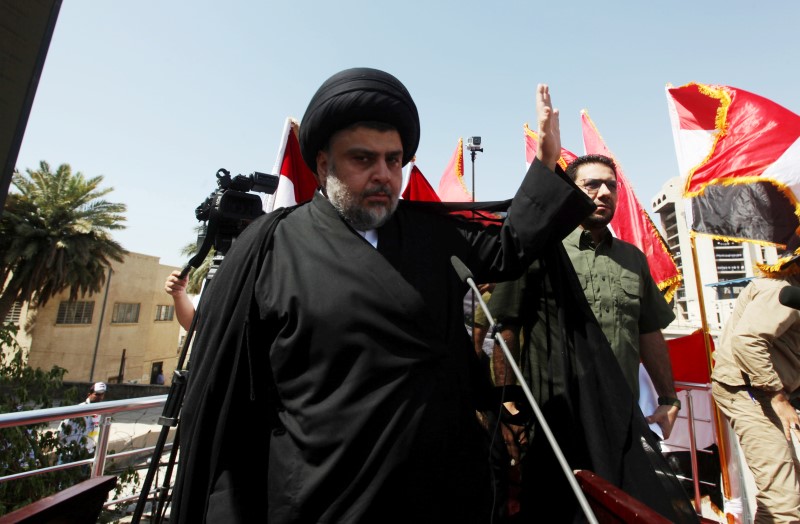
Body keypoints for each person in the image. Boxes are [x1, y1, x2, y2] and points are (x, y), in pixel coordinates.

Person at [170, 67, 595, 524]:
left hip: (437, 497)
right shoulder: (269, 248)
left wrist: (546, 163)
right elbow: (232, 402)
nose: (384, 176)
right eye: (363, 159)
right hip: (320, 500)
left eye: (394, 161)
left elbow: (511, 244)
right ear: (323, 165)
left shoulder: (428, 233)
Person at [488, 154, 694, 522]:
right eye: (592, 185)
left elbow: (648, 330)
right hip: (554, 416)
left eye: (611, 186)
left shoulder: (633, 259)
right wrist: (506, 406)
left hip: (622, 417)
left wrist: (667, 398)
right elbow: (505, 327)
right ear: (569, 192)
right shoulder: (539, 249)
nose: (604, 193)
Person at [710, 243, 800, 524]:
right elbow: (747, 342)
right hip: (749, 390)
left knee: (785, 493)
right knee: (784, 504)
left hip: (765, 389)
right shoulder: (781, 291)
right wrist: (777, 396)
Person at [57, 382, 107, 467]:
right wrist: (66, 448)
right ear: (89, 395)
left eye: (102, 395)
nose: (100, 398)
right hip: (70, 454)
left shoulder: (99, 413)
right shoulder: (78, 410)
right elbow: (61, 432)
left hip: (86, 453)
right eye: (97, 395)